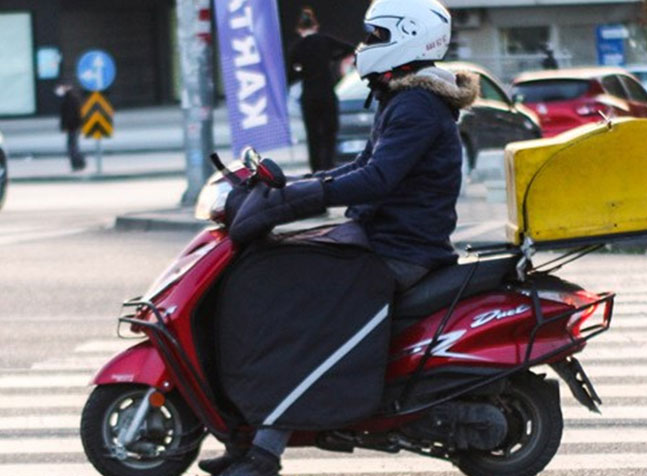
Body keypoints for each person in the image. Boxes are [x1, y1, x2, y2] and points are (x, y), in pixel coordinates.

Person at [203, 1, 478, 475]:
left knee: (301, 314)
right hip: (381, 237)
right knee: (273, 275)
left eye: (376, 36)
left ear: (408, 36)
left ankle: (265, 451)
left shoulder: (416, 103)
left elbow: (377, 179)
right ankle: (244, 433)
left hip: (401, 250)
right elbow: (361, 167)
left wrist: (305, 196)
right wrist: (299, 185)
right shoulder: (405, 96)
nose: (365, 45)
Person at [287, 7, 355, 173]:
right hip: (326, 93)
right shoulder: (325, 40)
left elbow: (290, 73)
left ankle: (316, 169)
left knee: (313, 135)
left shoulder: (297, 47)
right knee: (329, 132)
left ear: (299, 29)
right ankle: (329, 167)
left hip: (309, 95)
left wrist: (302, 71)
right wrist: (332, 59)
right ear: (316, 26)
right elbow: (349, 48)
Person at [56, 83, 86, 172]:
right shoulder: (71, 98)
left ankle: (78, 164)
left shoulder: (69, 99)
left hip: (72, 127)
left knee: (72, 147)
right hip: (74, 126)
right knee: (73, 146)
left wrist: (65, 126)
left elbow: (69, 115)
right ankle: (79, 163)